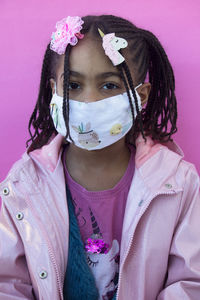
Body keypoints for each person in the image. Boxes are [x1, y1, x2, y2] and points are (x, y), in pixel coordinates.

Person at [0, 14, 200, 300]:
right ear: (53, 91)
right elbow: (7, 284)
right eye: (73, 86)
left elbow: (191, 283)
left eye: (109, 86)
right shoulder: (23, 185)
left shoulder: (177, 183)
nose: (89, 101)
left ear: (140, 97)